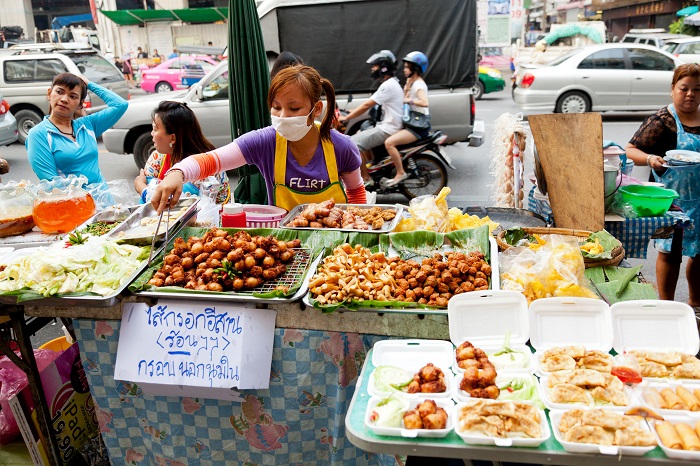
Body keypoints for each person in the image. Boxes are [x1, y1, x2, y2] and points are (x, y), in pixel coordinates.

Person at [151, 65, 366, 213]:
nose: (283, 116)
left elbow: (356, 193)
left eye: (294, 108)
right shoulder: (265, 142)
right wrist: (177, 173)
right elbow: (213, 160)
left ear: (316, 109)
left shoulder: (342, 147)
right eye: (276, 107)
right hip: (287, 245)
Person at [625, 62, 700, 312]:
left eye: (697, 89)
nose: (690, 94)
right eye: (684, 88)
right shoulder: (663, 120)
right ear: (673, 89)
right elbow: (630, 149)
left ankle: (695, 305)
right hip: (671, 200)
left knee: (699, 254)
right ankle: (666, 307)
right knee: (669, 253)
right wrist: (649, 159)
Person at [26, 73, 128, 185]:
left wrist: (89, 84)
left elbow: (120, 105)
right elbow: (51, 183)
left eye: (73, 96)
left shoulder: (88, 125)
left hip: (103, 198)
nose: (64, 99)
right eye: (59, 92)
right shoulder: (38, 134)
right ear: (49, 94)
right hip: (73, 201)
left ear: (80, 104)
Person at [135, 101, 230, 204]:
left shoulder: (208, 168)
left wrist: (142, 189)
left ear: (172, 138)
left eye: (155, 129)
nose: (152, 133)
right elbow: (146, 206)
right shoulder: (158, 157)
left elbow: (178, 208)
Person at [338, 50, 404, 188]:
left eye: (375, 66)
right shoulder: (392, 83)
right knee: (360, 134)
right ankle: (371, 167)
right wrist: (349, 111)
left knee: (353, 144)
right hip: (388, 125)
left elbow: (367, 104)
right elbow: (371, 105)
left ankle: (366, 178)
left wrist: (347, 117)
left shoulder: (388, 86)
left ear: (383, 67)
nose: (373, 69)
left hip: (388, 128)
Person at [383, 51, 430, 186]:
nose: (404, 70)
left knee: (389, 143)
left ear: (415, 68)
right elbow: (402, 99)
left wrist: (410, 100)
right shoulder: (413, 83)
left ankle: (400, 172)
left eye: (407, 67)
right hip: (412, 124)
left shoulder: (419, 85)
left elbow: (425, 102)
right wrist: (407, 87)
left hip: (418, 126)